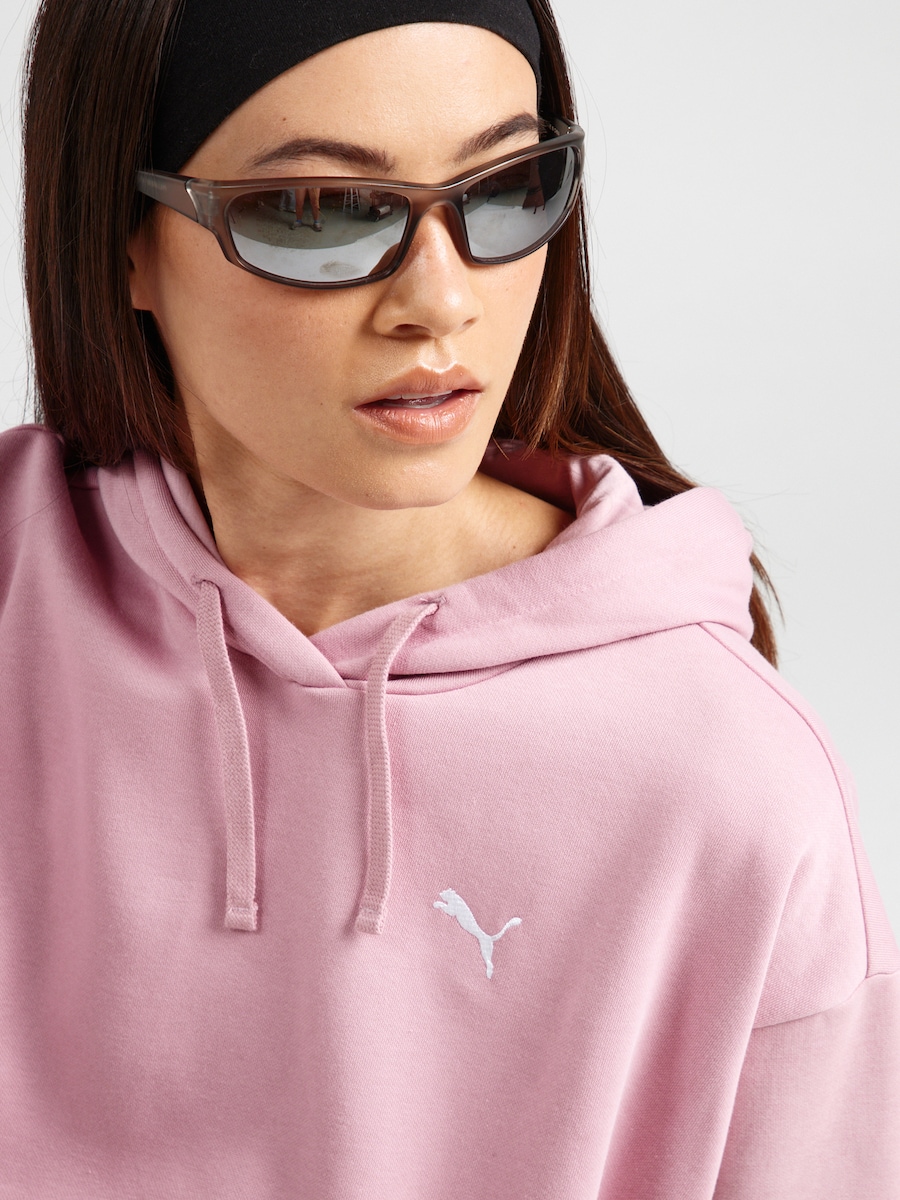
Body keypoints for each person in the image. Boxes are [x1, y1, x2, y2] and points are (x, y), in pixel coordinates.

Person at [1, 0, 897, 1196]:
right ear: (120, 239)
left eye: (506, 190)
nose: (442, 300)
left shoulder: (722, 775)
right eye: (321, 211)